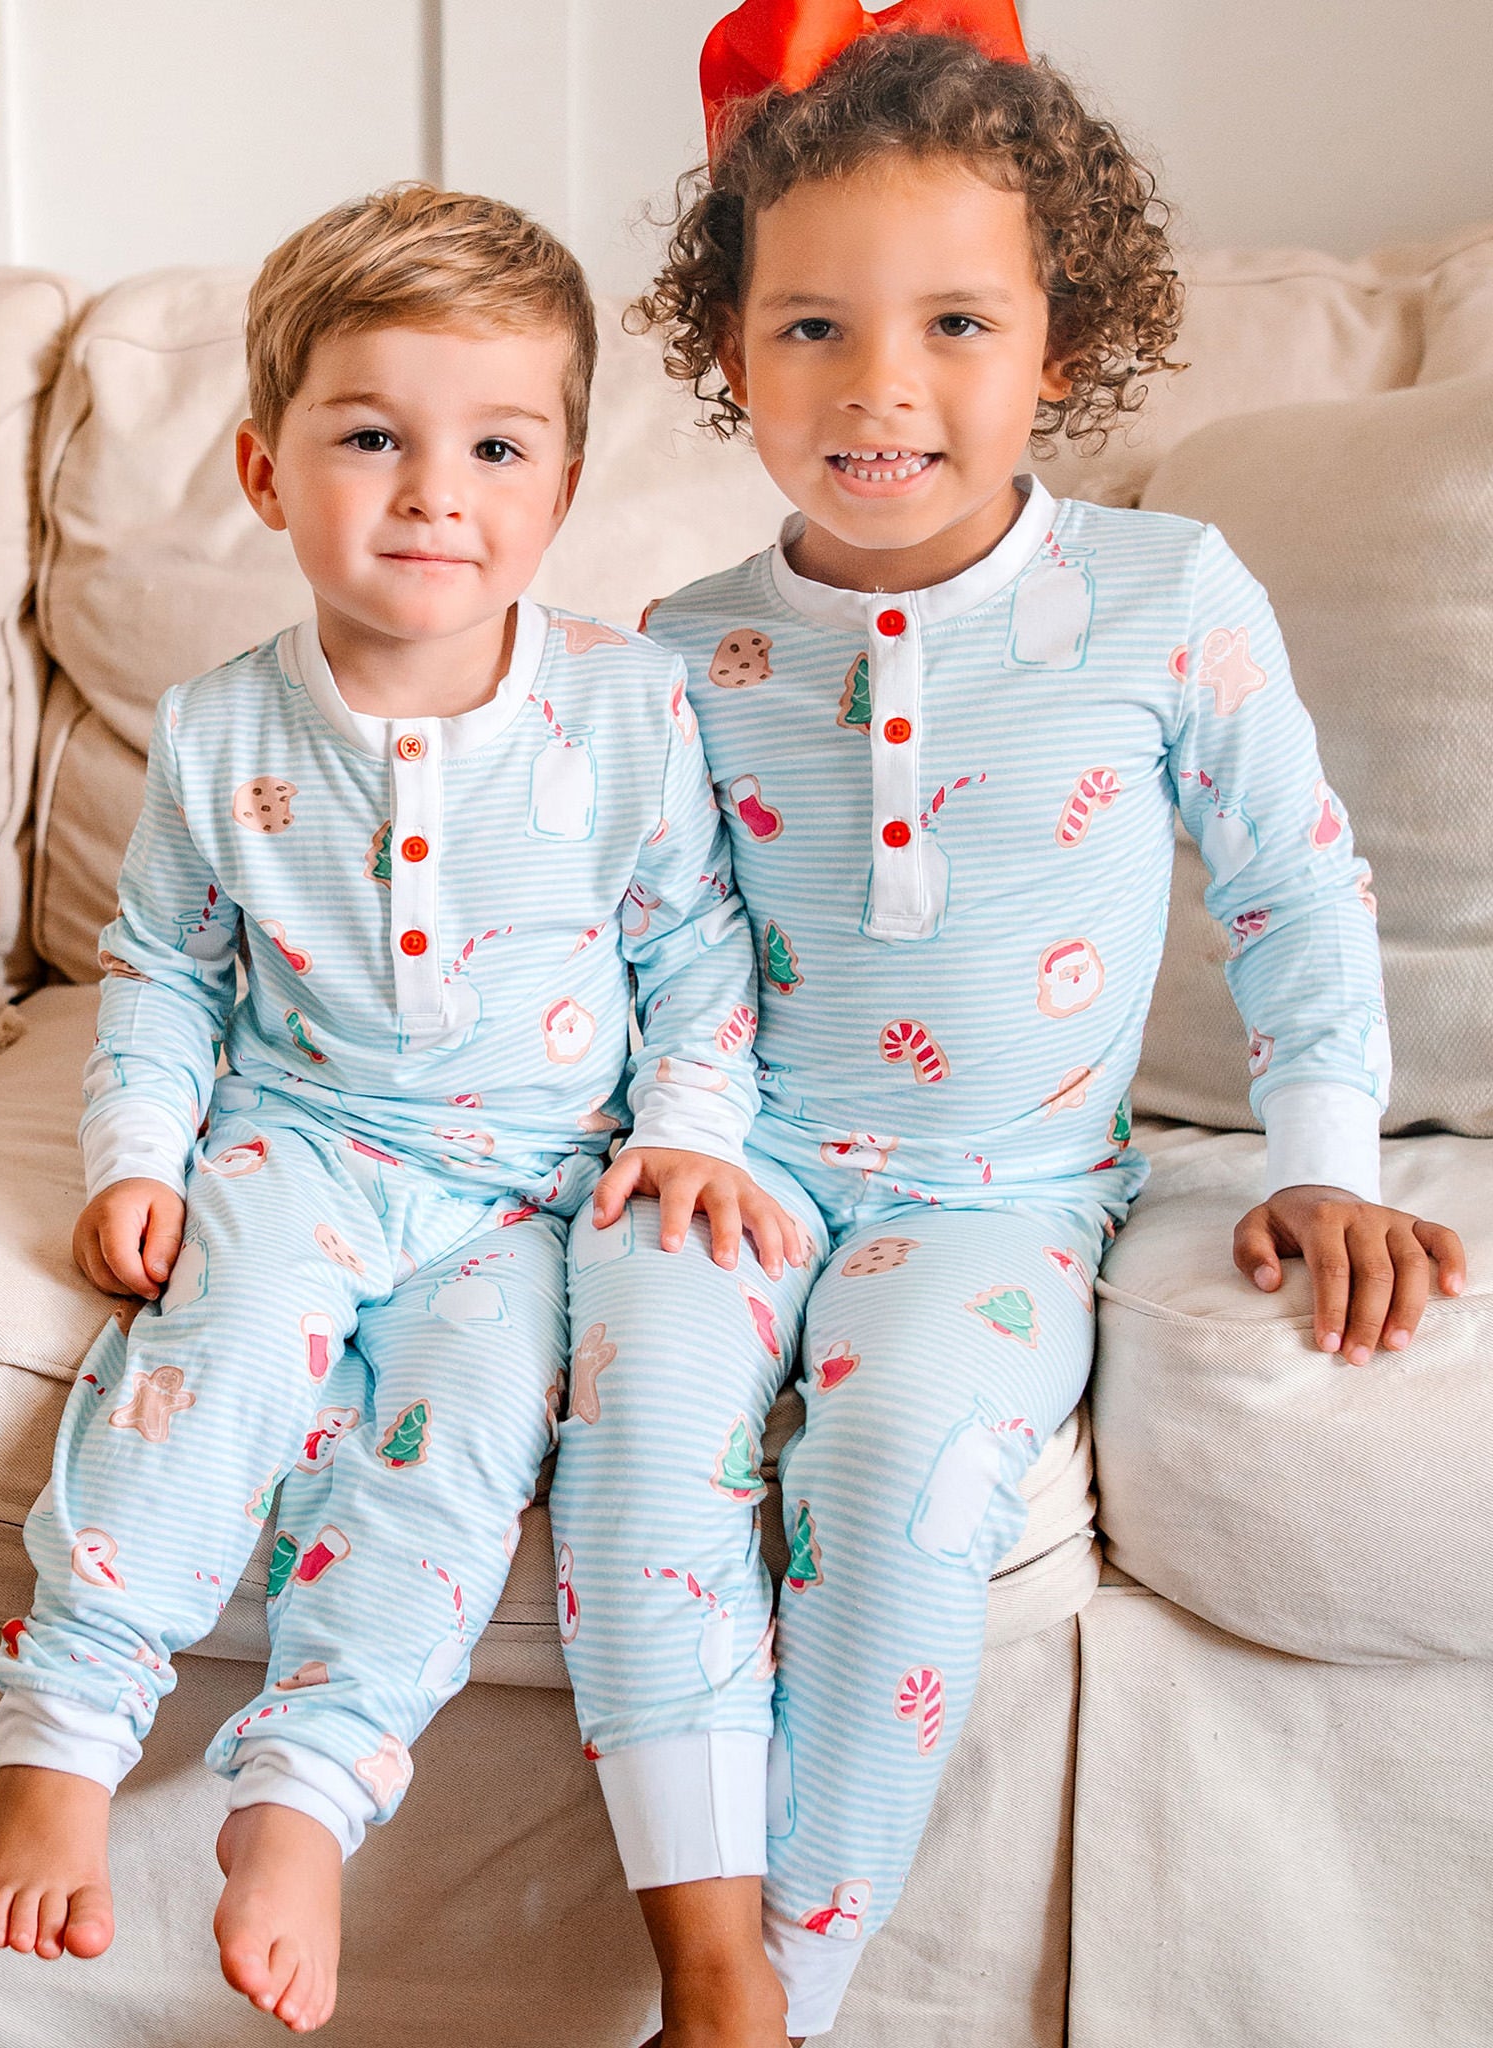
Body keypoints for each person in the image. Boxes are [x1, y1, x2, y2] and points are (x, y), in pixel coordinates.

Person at [550, 7, 1468, 2043]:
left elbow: (1292, 886)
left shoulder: (1165, 595)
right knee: (638, 1419)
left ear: (1060, 346)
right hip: (731, 1171)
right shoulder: (683, 651)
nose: (881, 384)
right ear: (723, 354)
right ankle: (704, 1965)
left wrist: (1324, 1165)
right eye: (809, 329)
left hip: (1006, 1196)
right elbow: (634, 943)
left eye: (956, 323)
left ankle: (780, 1990)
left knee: (891, 1462)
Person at [0, 182, 803, 2036]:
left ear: (560, 485)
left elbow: (697, 957)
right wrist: (139, 1158)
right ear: (268, 473)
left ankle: (307, 1798)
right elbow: (166, 977)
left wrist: (693, 1130)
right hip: (302, 1140)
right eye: (372, 439)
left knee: (464, 1451)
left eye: (495, 445)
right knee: (217, 1359)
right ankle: (69, 1728)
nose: (436, 492)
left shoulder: (629, 709)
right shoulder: (218, 734)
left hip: (534, 1195)